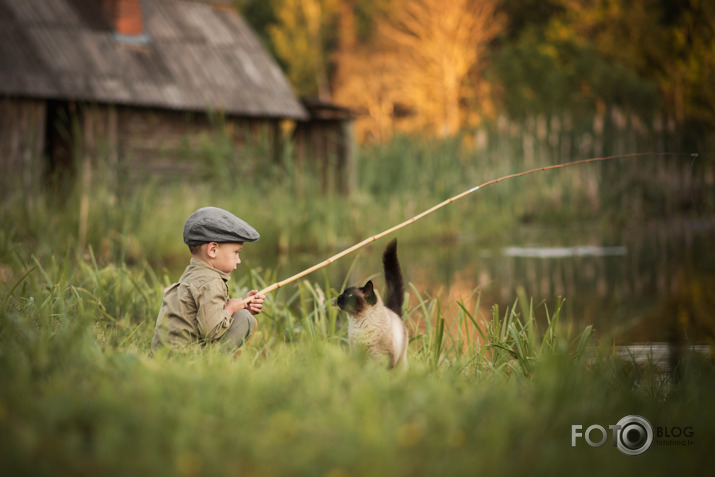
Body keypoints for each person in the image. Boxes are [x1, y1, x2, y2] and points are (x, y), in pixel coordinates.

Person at [151, 206, 266, 354]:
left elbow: (207, 312)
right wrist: (231, 308)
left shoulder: (192, 274)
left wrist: (243, 305)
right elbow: (211, 330)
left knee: (242, 313)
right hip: (188, 360)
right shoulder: (211, 282)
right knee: (244, 319)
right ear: (213, 250)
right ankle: (219, 367)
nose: (238, 260)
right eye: (236, 253)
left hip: (165, 357)